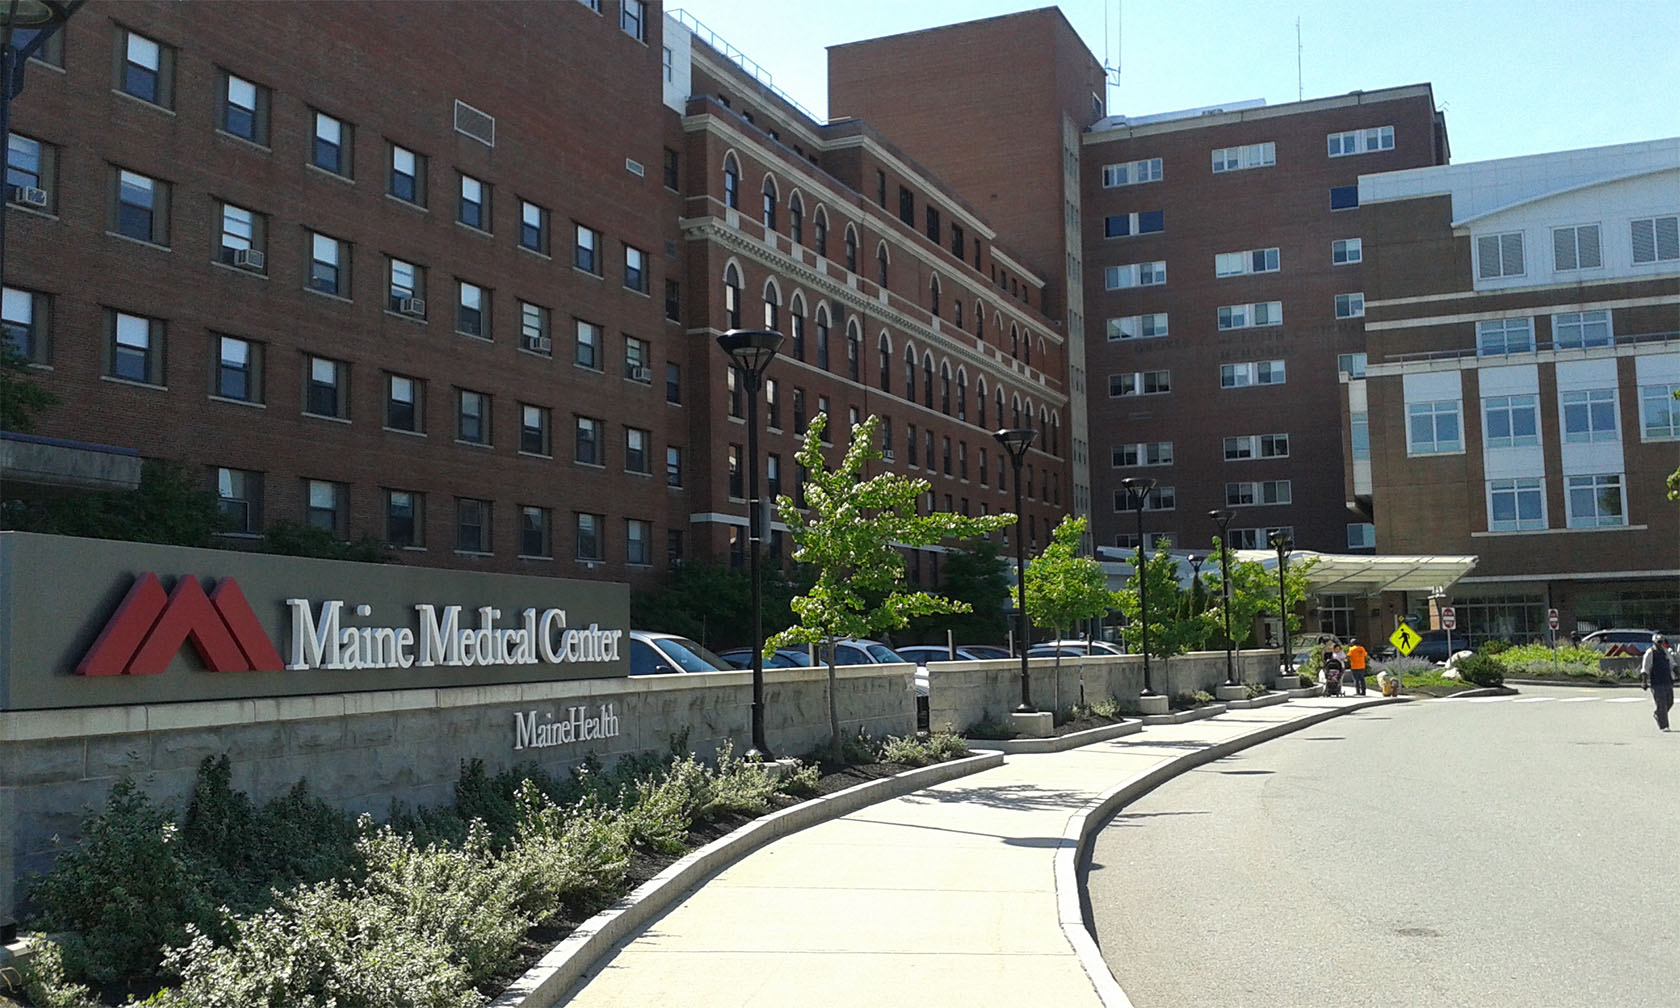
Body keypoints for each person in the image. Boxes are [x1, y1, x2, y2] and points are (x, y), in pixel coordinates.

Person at [1641, 634, 1673, 731]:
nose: (1661, 644)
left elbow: (1672, 664)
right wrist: (1644, 682)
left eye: (1662, 642)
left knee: (1669, 702)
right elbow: (1645, 669)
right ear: (1654, 642)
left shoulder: (1665, 652)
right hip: (1656, 682)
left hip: (1667, 680)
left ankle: (1658, 714)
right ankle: (1664, 725)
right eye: (1659, 642)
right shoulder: (1650, 653)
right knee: (1661, 703)